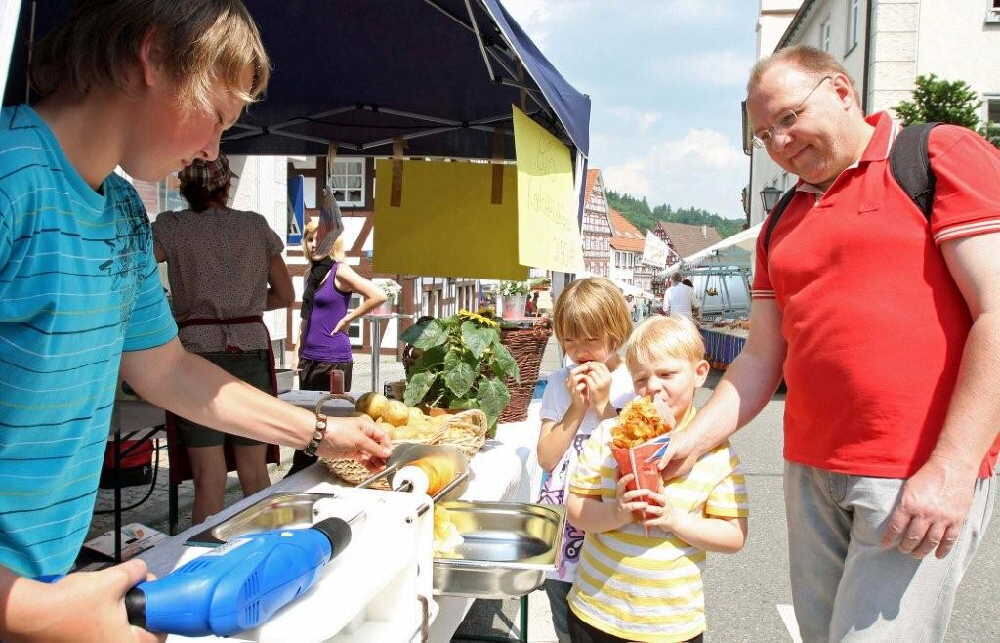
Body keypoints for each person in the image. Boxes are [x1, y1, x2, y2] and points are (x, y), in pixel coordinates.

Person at [0, 3, 389, 640]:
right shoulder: (10, 176)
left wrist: (319, 431)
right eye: (217, 117)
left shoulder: (123, 208)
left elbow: (169, 370)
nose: (213, 148)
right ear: (153, 58)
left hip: (46, 577)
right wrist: (36, 615)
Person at [659, 45, 1000, 641]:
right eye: (765, 134)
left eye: (789, 117)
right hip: (811, 472)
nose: (780, 143)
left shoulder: (934, 155)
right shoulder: (782, 219)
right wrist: (690, 439)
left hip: (912, 472)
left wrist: (952, 466)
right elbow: (763, 357)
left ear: (841, 91)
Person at [565, 315, 749, 643]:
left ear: (699, 374)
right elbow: (577, 509)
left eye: (666, 374)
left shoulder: (716, 454)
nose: (652, 388)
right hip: (596, 611)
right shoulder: (609, 435)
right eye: (641, 379)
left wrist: (675, 520)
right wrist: (616, 513)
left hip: (671, 625)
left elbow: (733, 535)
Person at [152, 154, 293, 525]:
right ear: (225, 185)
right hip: (249, 346)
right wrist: (241, 304)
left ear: (184, 188)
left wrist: (181, 308)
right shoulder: (255, 227)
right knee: (255, 472)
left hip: (195, 353)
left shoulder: (171, 227)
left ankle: (204, 559)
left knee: (208, 478)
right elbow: (285, 295)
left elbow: (136, 270)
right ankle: (265, 552)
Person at [535, 278, 635, 642]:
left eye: (591, 339)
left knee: (612, 621)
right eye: (570, 340)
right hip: (564, 535)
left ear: (616, 331)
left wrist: (605, 406)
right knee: (567, 620)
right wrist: (576, 408)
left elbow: (633, 458)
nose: (580, 351)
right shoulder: (560, 382)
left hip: (611, 523)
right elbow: (546, 458)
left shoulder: (633, 381)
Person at [288, 228, 387, 475]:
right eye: (309, 239)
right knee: (308, 421)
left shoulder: (339, 270)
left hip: (333, 359)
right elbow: (306, 317)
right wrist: (296, 351)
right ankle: (305, 473)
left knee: (333, 421)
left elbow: (378, 295)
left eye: (318, 240)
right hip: (309, 358)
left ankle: (337, 470)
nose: (313, 244)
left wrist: (349, 318)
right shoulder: (310, 273)